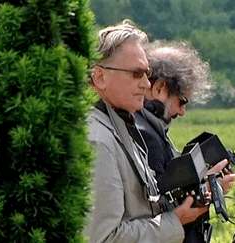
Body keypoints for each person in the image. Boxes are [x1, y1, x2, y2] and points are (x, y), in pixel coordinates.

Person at [85, 20, 209, 243]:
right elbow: (104, 238)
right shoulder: (98, 141)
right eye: (136, 73)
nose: (145, 83)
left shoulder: (120, 125)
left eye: (147, 73)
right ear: (100, 77)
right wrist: (175, 221)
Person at [135, 40, 235, 242]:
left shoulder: (149, 128)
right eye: (182, 102)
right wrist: (210, 189)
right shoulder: (147, 136)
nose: (182, 112)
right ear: (160, 88)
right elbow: (163, 209)